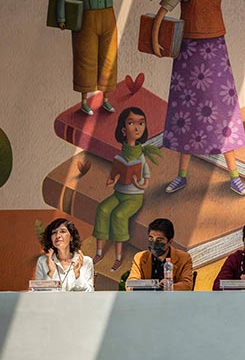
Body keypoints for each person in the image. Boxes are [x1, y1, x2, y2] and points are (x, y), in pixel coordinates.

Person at [152, 0, 245, 196]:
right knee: (186, 117)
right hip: (190, 52)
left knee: (224, 113)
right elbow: (163, 9)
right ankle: (182, 176)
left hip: (216, 50)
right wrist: (154, 40)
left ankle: (234, 176)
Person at [93, 107, 161, 271]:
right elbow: (114, 173)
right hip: (118, 193)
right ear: (124, 130)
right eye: (131, 123)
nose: (137, 128)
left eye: (141, 123)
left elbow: (146, 180)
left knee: (119, 215)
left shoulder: (140, 156)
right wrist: (112, 179)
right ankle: (99, 252)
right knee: (102, 209)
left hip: (133, 198)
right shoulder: (121, 154)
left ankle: (117, 257)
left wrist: (139, 184)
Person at [56, 0, 138, 115]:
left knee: (109, 59)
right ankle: (84, 102)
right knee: (86, 59)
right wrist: (61, 17)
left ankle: (105, 99)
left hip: (108, 18)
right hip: (86, 19)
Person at [127, 218, 194, 290]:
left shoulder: (184, 258)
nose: (154, 244)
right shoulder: (140, 257)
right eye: (151, 239)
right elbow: (130, 284)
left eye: (159, 240)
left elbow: (187, 285)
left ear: (170, 241)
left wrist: (169, 286)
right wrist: (155, 284)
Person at [35, 218, 94, 291]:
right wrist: (50, 273)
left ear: (71, 237)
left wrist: (77, 275)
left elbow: (90, 293)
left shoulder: (86, 261)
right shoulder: (42, 261)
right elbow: (36, 292)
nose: (58, 235)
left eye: (63, 231)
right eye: (54, 233)